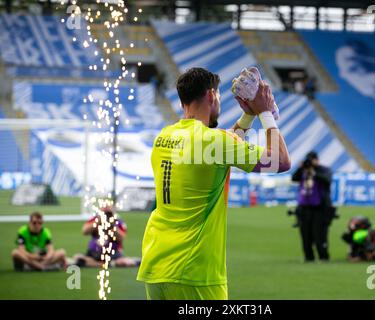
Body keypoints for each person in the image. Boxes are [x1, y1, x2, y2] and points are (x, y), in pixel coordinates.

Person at [136, 67, 291, 300]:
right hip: (194, 271)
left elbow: (220, 148)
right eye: (218, 95)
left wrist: (248, 116)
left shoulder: (164, 136)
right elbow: (280, 161)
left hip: (156, 266)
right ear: (211, 95)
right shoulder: (214, 141)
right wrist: (265, 113)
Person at [291, 151, 333, 262]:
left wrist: (313, 172)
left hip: (320, 208)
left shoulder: (323, 170)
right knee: (305, 234)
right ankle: (308, 257)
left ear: (317, 160)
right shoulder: (303, 171)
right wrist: (301, 168)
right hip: (304, 208)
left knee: (320, 234)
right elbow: (294, 178)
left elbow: (327, 180)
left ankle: (323, 257)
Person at [73, 207, 140, 268]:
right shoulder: (95, 220)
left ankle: (96, 263)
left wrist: (112, 226)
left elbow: (121, 238)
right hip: (94, 252)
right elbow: (84, 231)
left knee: (125, 262)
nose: (106, 216)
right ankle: (108, 264)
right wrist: (98, 221)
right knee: (77, 257)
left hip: (112, 253)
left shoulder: (117, 222)